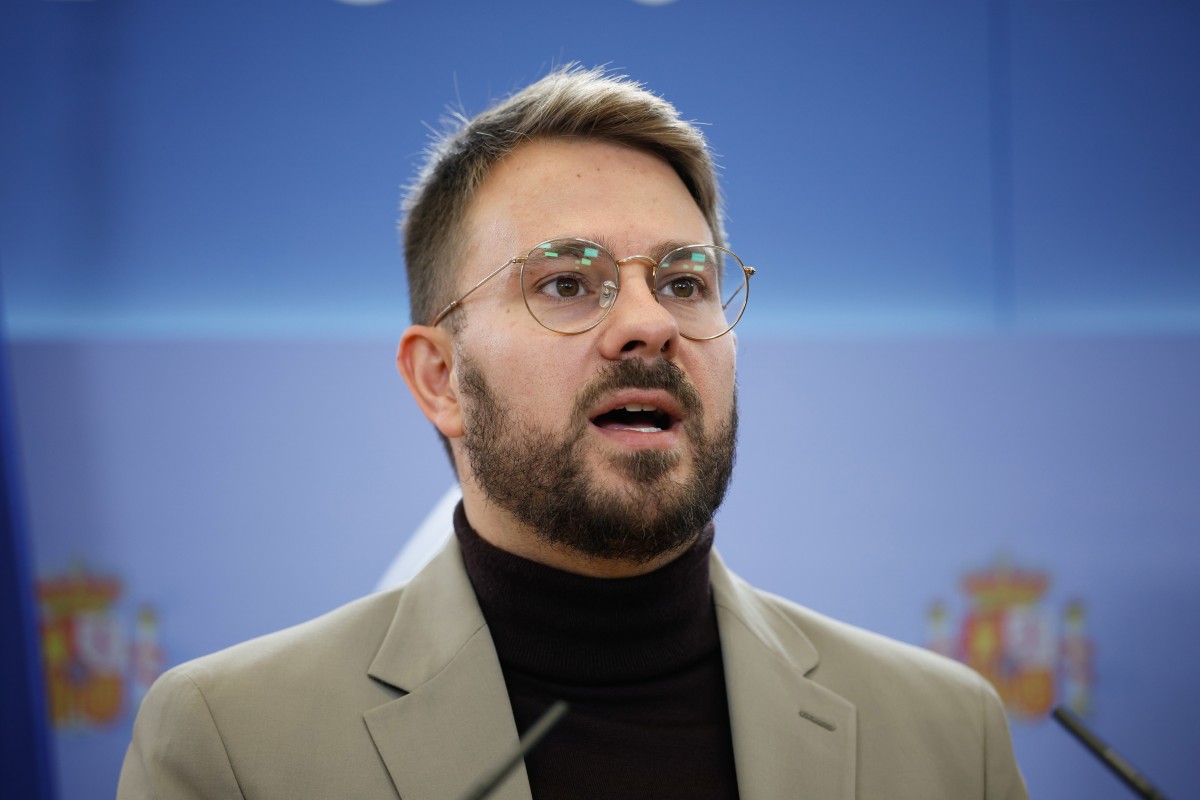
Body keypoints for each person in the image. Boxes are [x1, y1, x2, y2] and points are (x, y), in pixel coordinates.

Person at [118, 66, 1028, 799]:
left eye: (684, 281)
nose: (650, 323)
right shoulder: (234, 743)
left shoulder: (948, 737)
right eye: (565, 283)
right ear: (441, 380)